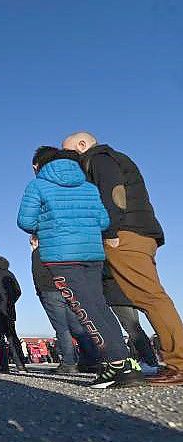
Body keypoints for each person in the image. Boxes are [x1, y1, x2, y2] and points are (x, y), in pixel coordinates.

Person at [17, 146, 142, 389]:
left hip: (62, 256)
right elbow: (104, 221)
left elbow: (25, 220)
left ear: (40, 165)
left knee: (83, 309)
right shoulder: (88, 186)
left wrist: (49, 224)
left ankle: (116, 365)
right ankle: (123, 361)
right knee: (99, 306)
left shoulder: (38, 186)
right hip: (92, 255)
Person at [64, 131, 183, 385]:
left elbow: (113, 193)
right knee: (148, 297)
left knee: (151, 297)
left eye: (70, 152)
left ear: (83, 145)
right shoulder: (113, 158)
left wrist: (110, 231)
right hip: (136, 231)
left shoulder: (99, 158)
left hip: (125, 234)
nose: (68, 159)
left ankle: (180, 363)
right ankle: (175, 361)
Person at [30, 235, 99, 374]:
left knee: (61, 327)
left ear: (36, 240)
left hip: (50, 291)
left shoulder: (38, 252)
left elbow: (38, 274)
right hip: (67, 289)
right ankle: (91, 359)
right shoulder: (58, 249)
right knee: (77, 326)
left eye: (31, 242)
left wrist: (40, 292)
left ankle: (69, 362)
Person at [102, 265, 160, 372]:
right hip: (128, 294)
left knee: (132, 329)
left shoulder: (108, 256)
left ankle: (149, 361)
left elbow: (109, 272)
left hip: (117, 294)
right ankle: (150, 360)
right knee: (136, 328)